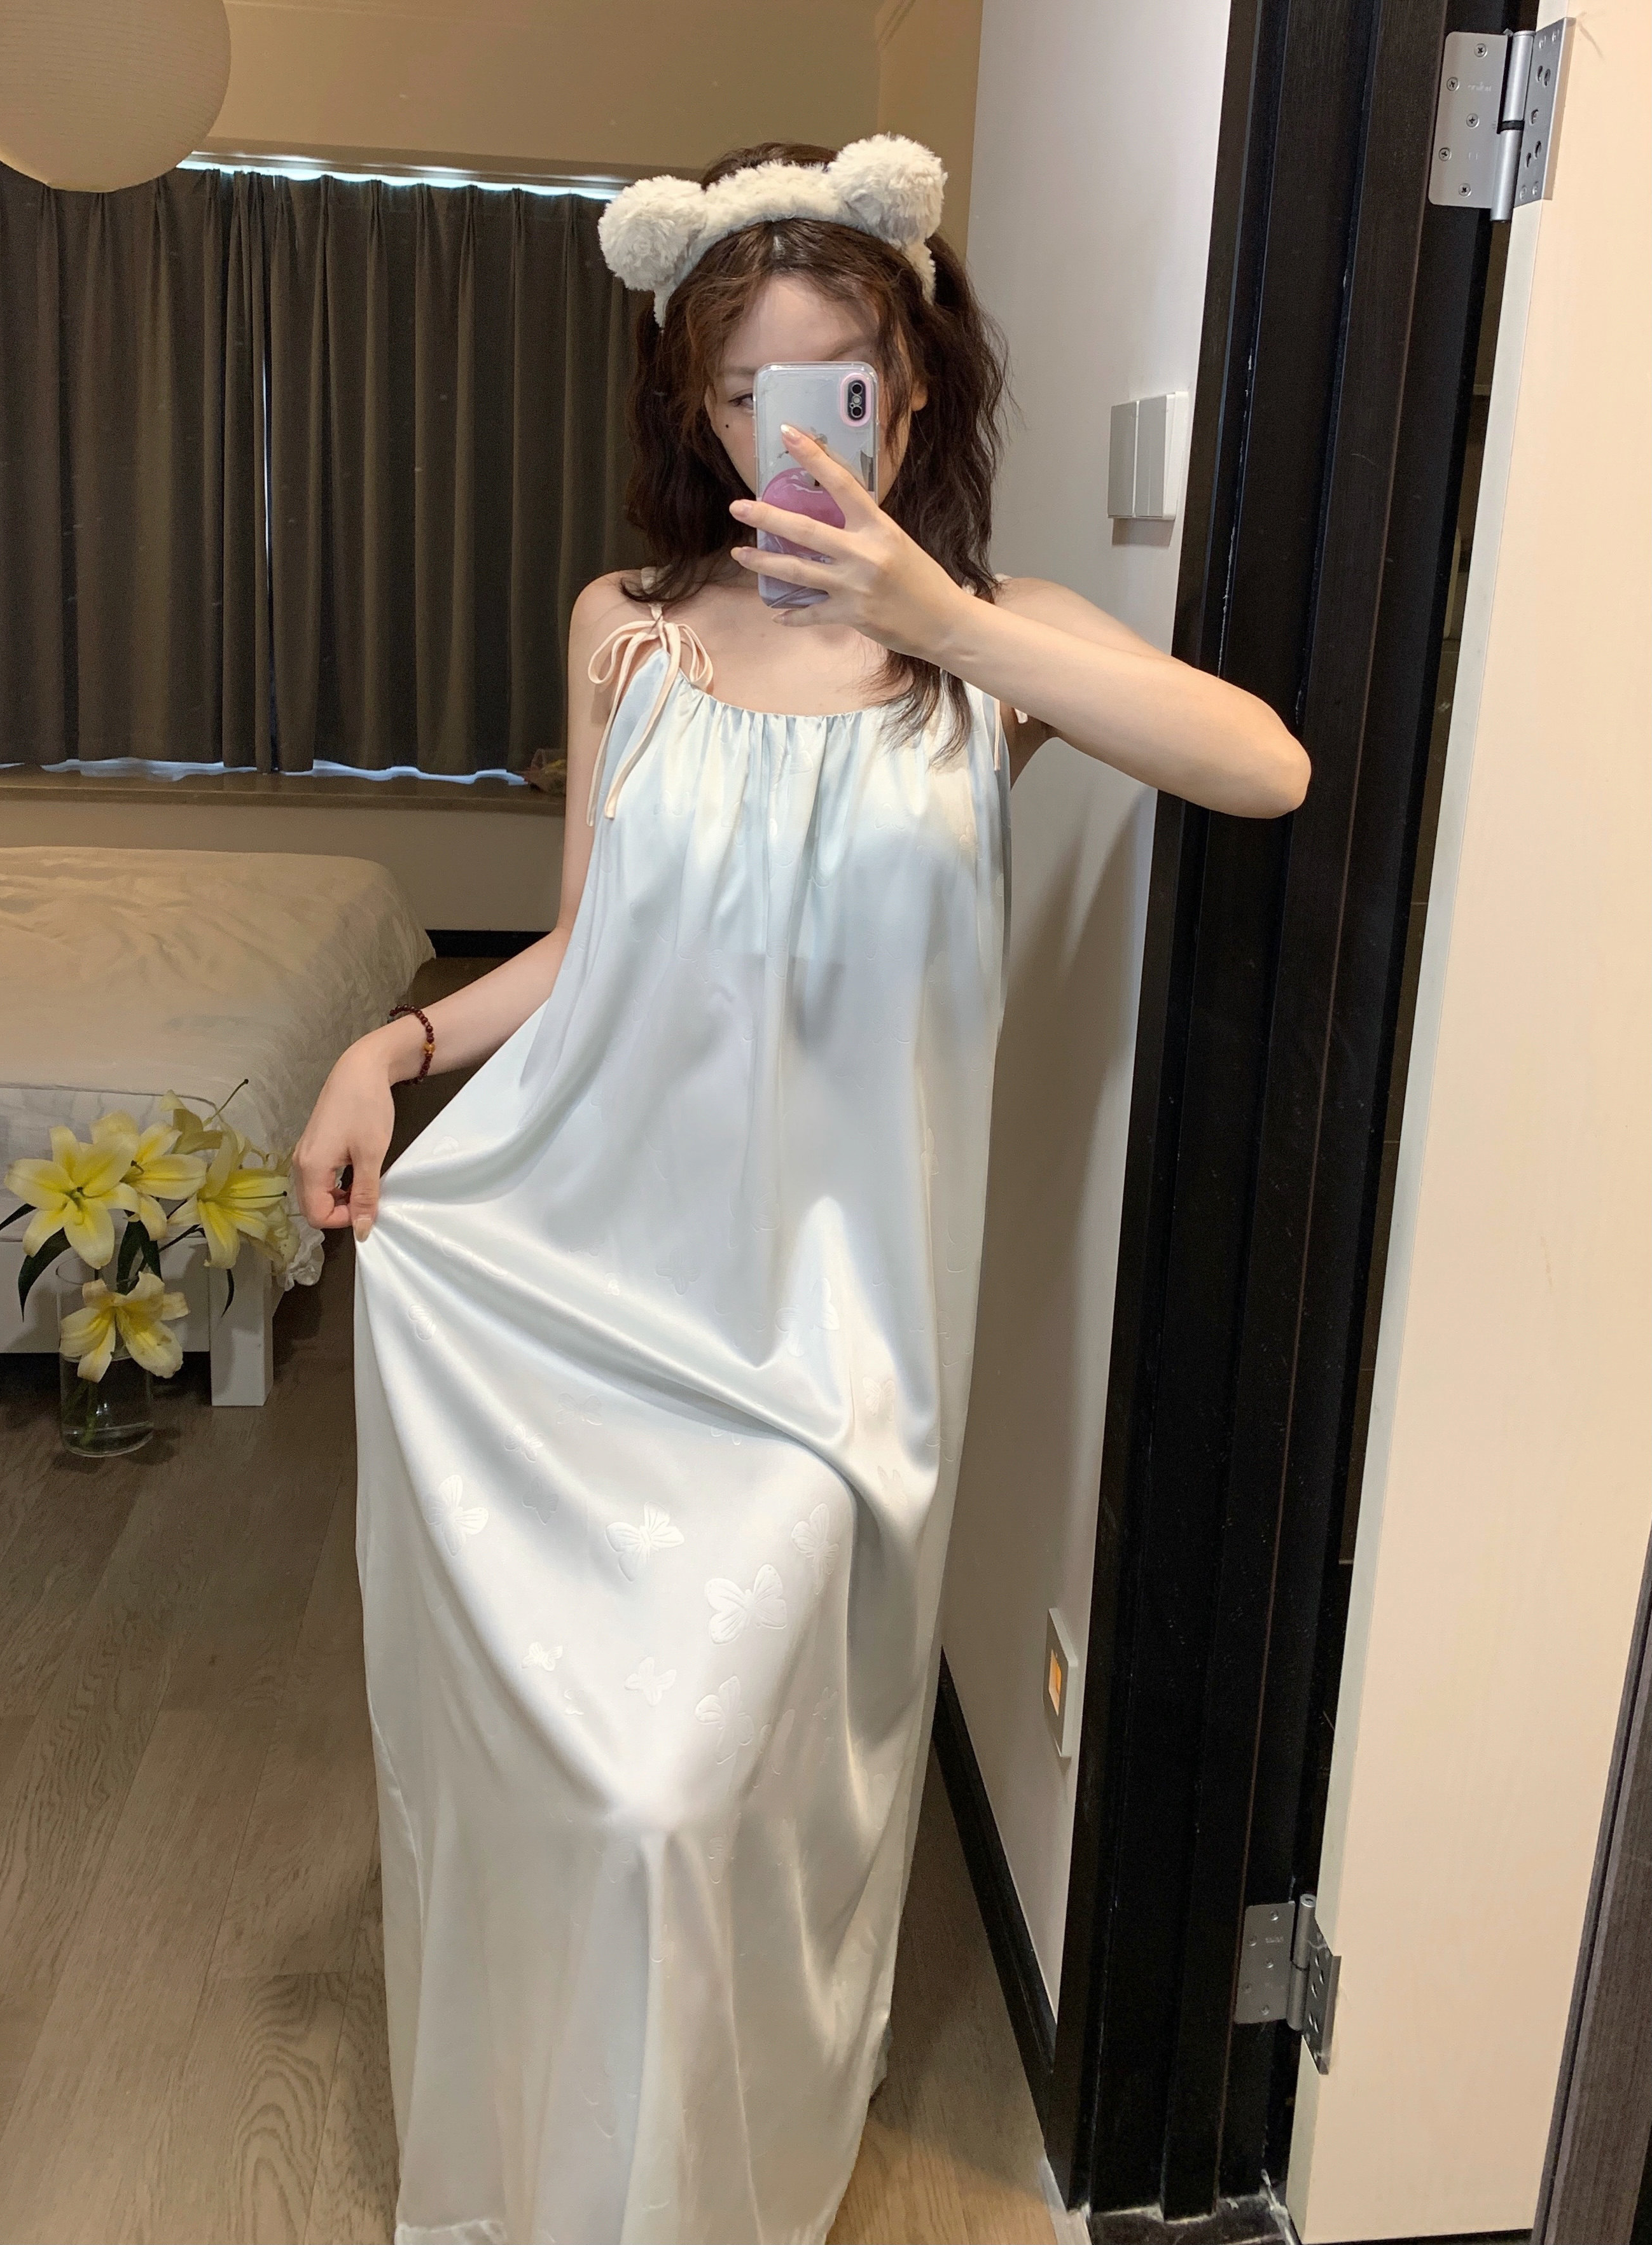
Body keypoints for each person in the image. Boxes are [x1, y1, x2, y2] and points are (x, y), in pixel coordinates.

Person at [292, 134, 1308, 2245]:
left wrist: (941, 614)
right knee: (606, 1797)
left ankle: (703, 2176)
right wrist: (388, 1048)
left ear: (911, 394)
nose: (799, 431)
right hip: (586, 1300)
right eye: (751, 390)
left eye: (841, 383)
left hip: (828, 1375)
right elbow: (584, 954)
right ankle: (583, 2168)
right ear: (696, 405)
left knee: (685, 1796)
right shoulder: (626, 634)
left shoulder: (986, 654)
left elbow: (1263, 763)